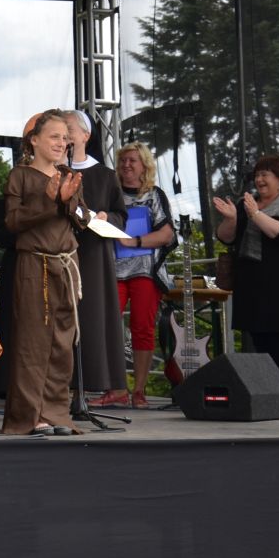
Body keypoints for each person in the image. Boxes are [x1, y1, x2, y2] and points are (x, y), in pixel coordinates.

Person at [0, 109, 88, 436]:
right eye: (54, 136)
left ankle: (56, 414)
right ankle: (29, 416)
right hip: (34, 265)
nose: (61, 143)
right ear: (34, 140)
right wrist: (49, 201)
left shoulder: (68, 175)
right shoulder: (20, 176)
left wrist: (68, 201)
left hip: (66, 266)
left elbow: (83, 219)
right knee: (32, 343)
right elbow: (12, 222)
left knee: (62, 344)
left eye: (65, 138)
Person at [213, 154, 279, 389]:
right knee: (259, 345)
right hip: (250, 288)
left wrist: (255, 214)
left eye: (265, 175)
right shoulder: (247, 203)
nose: (259, 180)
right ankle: (271, 396)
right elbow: (226, 237)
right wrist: (231, 218)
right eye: (257, 175)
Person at [62, 110, 130, 408]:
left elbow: (121, 215)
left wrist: (106, 217)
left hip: (93, 256)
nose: (65, 135)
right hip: (60, 251)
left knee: (91, 318)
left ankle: (87, 387)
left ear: (85, 136)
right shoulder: (54, 172)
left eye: (69, 129)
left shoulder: (104, 175)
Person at [108, 142, 175, 409]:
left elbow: (166, 234)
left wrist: (134, 242)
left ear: (144, 165)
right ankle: (116, 388)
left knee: (143, 328)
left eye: (132, 160)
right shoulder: (111, 194)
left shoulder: (154, 195)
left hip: (145, 271)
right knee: (109, 327)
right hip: (113, 271)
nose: (126, 165)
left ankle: (139, 390)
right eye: (123, 160)